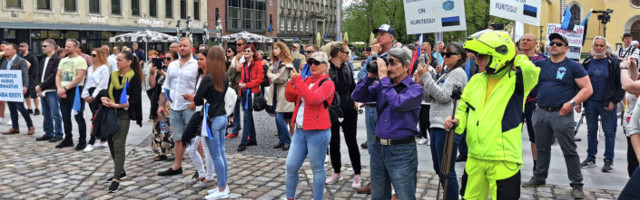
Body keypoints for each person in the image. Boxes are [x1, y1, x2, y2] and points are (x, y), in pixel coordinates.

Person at [443, 29, 539, 199]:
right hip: (475, 156)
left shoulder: (517, 79)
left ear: (498, 55)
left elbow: (531, 70)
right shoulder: (476, 80)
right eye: (477, 55)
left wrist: (511, 51)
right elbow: (463, 107)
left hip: (503, 158)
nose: (476, 59)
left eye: (482, 56)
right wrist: (457, 121)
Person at [522, 32, 592, 199]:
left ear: (566, 48)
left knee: (569, 150)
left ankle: (577, 184)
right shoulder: (543, 64)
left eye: (559, 44)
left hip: (561, 114)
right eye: (552, 43)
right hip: (541, 112)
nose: (554, 45)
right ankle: (539, 176)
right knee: (542, 147)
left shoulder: (573, 66)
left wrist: (572, 103)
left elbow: (587, 89)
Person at [351, 47, 423, 200]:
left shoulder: (415, 89)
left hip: (401, 150)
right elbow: (357, 95)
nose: (389, 67)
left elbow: (398, 103)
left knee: (405, 196)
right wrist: (370, 75)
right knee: (378, 195)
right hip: (378, 148)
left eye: (393, 63)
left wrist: (383, 78)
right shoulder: (383, 85)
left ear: (406, 66)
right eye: (387, 63)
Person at [417, 42, 468, 200]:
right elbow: (428, 97)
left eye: (448, 54)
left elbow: (444, 96)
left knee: (446, 170)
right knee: (439, 167)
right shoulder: (447, 73)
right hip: (437, 124)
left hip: (447, 125)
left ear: (459, 56)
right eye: (443, 54)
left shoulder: (458, 73)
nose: (444, 57)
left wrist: (427, 78)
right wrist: (422, 82)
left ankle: (451, 196)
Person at [284, 52, 335, 200]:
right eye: (310, 62)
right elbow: (290, 97)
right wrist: (291, 82)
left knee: (317, 168)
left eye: (317, 62)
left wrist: (298, 81)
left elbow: (313, 99)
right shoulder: (305, 80)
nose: (312, 65)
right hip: (300, 131)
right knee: (291, 166)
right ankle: (289, 198)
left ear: (326, 66)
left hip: (318, 132)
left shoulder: (328, 83)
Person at [354, 24, 397, 194]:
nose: (378, 37)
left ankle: (396, 188)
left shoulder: (396, 56)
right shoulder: (375, 57)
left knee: (390, 148)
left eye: (382, 34)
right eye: (377, 34)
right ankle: (376, 183)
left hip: (386, 107)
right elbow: (361, 77)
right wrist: (373, 57)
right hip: (370, 107)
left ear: (391, 38)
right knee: (374, 148)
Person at [185, 46, 231, 199]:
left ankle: (222, 188)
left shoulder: (208, 77)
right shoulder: (224, 76)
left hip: (212, 118)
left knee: (216, 154)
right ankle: (224, 185)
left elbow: (198, 100)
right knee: (221, 152)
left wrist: (197, 97)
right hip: (223, 116)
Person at [579, 36, 624, 172]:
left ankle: (608, 160)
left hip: (607, 104)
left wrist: (614, 101)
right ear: (592, 47)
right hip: (590, 103)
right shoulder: (587, 62)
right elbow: (580, 82)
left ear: (606, 48)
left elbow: (620, 85)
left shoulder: (613, 63)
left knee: (609, 133)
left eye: (601, 46)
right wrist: (578, 101)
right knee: (591, 131)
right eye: (596, 45)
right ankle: (590, 158)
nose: (599, 48)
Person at [101, 50, 143, 193]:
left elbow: (135, 100)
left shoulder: (134, 78)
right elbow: (106, 91)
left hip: (123, 114)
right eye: (116, 60)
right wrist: (104, 98)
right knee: (111, 143)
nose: (116, 62)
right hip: (110, 113)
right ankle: (121, 171)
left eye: (119, 60)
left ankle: (116, 179)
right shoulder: (113, 75)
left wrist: (118, 105)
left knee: (119, 145)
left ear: (129, 62)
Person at [322, 42, 362, 188]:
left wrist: (356, 101)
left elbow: (353, 87)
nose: (349, 55)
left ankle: (357, 174)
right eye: (347, 52)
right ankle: (336, 172)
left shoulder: (347, 67)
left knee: (351, 141)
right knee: (334, 142)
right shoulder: (327, 69)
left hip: (349, 110)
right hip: (333, 110)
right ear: (339, 53)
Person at [157, 38, 199, 176]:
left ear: (191, 48)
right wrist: (161, 105)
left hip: (190, 107)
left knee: (195, 138)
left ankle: (202, 168)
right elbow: (166, 86)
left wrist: (196, 101)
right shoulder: (173, 65)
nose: (182, 48)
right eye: (180, 46)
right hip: (174, 106)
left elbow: (201, 86)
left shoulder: (196, 64)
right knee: (178, 138)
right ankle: (177, 166)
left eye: (185, 46)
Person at [181, 48, 216, 189]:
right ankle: (201, 174)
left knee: (207, 149)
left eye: (201, 59)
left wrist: (194, 98)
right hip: (198, 113)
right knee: (190, 147)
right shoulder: (200, 75)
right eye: (198, 59)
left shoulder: (211, 76)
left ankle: (209, 177)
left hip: (206, 115)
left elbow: (211, 97)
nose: (198, 61)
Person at [519, 33, 547, 171]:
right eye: (523, 39)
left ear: (535, 43)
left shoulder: (541, 61)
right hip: (517, 102)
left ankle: (537, 167)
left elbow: (545, 82)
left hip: (532, 102)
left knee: (534, 136)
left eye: (528, 40)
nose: (525, 42)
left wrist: (540, 99)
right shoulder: (514, 60)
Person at [55, 39, 88, 150]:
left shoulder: (81, 60)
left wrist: (65, 88)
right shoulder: (63, 60)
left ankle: (82, 140)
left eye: (69, 46)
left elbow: (79, 77)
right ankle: (68, 139)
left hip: (76, 90)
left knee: (78, 116)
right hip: (63, 90)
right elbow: (58, 75)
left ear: (75, 47)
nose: (66, 48)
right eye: (66, 46)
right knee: (65, 116)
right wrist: (60, 88)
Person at [1, 43, 35, 135]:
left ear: (14, 51)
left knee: (20, 107)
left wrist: (25, 86)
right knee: (12, 108)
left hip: (17, 88)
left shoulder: (20, 61)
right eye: (5, 49)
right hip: (9, 89)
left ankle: (30, 125)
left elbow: (25, 74)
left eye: (8, 49)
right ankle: (15, 127)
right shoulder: (5, 61)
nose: (5, 51)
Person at [81, 48, 111, 152]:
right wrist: (84, 95)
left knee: (96, 118)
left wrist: (93, 96)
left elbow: (103, 84)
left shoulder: (104, 68)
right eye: (91, 55)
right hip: (90, 92)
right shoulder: (90, 68)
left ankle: (91, 141)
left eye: (94, 55)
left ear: (100, 56)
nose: (92, 57)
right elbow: (87, 82)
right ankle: (103, 139)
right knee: (97, 117)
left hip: (100, 94)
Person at [619, 55, 640, 200]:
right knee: (632, 167)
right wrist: (633, 67)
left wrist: (623, 68)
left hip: (635, 129)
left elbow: (629, 86)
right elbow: (635, 81)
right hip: (632, 129)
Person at [267, 42, 296, 150]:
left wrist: (272, 76)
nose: (274, 50)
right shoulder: (275, 63)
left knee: (279, 118)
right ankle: (282, 140)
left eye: (276, 48)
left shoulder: (287, 64)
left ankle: (287, 141)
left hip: (283, 92)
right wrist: (274, 75)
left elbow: (281, 78)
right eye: (273, 48)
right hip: (275, 91)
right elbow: (269, 73)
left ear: (282, 49)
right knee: (277, 118)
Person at [236, 44, 264, 152]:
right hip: (244, 92)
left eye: (248, 51)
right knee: (248, 116)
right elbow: (243, 78)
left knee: (246, 117)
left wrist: (246, 85)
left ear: (253, 53)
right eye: (244, 51)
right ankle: (252, 138)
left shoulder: (257, 64)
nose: (246, 52)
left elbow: (260, 79)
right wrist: (241, 83)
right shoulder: (243, 65)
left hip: (251, 93)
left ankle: (243, 142)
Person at [35, 39, 63, 142]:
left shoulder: (57, 60)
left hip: (51, 90)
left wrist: (41, 86)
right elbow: (39, 73)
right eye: (42, 46)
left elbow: (53, 75)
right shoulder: (43, 59)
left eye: (45, 46)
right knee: (45, 113)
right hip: (42, 89)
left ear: (52, 47)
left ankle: (59, 133)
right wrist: (38, 86)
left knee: (55, 113)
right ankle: (48, 133)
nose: (43, 47)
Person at [151, 51, 177, 161]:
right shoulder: (162, 71)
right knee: (159, 127)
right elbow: (152, 85)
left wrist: (163, 74)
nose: (166, 61)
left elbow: (173, 83)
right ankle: (159, 151)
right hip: (160, 100)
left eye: (168, 59)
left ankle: (173, 151)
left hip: (171, 102)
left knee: (170, 128)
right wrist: (153, 73)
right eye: (164, 59)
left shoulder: (176, 70)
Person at [225, 38, 249, 139]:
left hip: (244, 86)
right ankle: (235, 130)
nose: (237, 46)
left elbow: (239, 68)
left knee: (246, 111)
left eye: (239, 44)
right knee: (235, 110)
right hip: (235, 87)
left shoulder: (245, 56)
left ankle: (247, 133)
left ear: (245, 45)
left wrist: (236, 60)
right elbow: (229, 72)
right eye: (237, 44)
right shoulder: (237, 56)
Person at [18, 42, 40, 115]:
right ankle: (29, 108)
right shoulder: (20, 56)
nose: (20, 48)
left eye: (22, 46)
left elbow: (35, 67)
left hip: (31, 77)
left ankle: (37, 108)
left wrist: (34, 78)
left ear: (27, 47)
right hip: (23, 77)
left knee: (34, 94)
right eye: (20, 46)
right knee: (26, 94)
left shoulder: (32, 56)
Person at [143, 50, 161, 121]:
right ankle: (153, 115)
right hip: (147, 84)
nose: (150, 56)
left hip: (154, 84)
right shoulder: (147, 63)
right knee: (152, 100)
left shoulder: (156, 63)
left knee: (154, 101)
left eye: (151, 55)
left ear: (156, 55)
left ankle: (153, 115)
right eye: (149, 55)